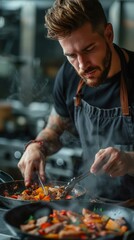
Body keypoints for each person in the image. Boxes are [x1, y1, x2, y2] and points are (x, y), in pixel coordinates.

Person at [18, 0, 134, 200]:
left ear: (108, 34)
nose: (82, 66)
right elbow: (55, 129)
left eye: (89, 49)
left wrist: (130, 161)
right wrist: (37, 146)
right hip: (88, 204)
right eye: (71, 56)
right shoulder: (68, 76)